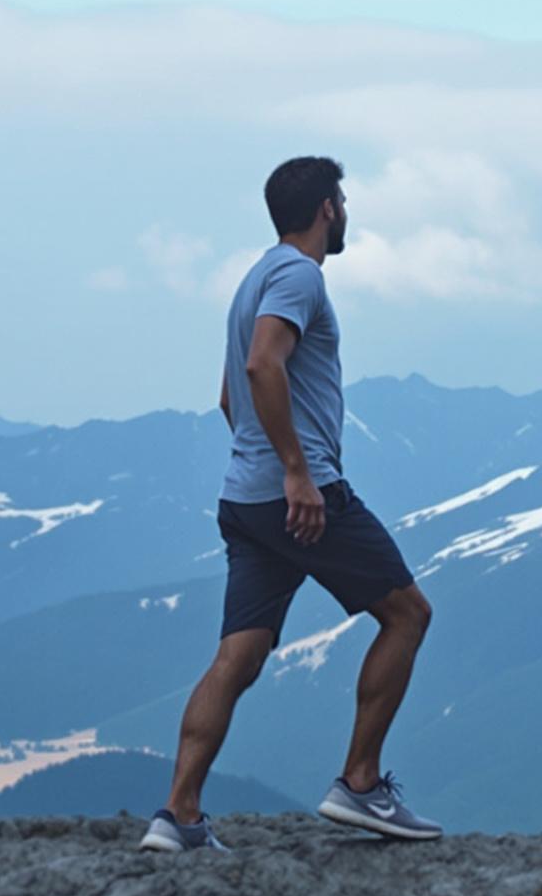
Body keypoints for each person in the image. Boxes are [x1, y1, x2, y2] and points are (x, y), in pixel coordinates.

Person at [142, 156, 442, 852]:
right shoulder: (300, 276)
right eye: (342, 199)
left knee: (236, 658)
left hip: (244, 501)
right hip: (298, 498)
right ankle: (360, 785)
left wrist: (264, 467)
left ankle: (179, 814)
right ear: (328, 209)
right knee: (407, 614)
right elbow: (260, 366)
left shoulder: (254, 279)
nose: (345, 210)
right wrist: (297, 474)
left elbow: (230, 397)